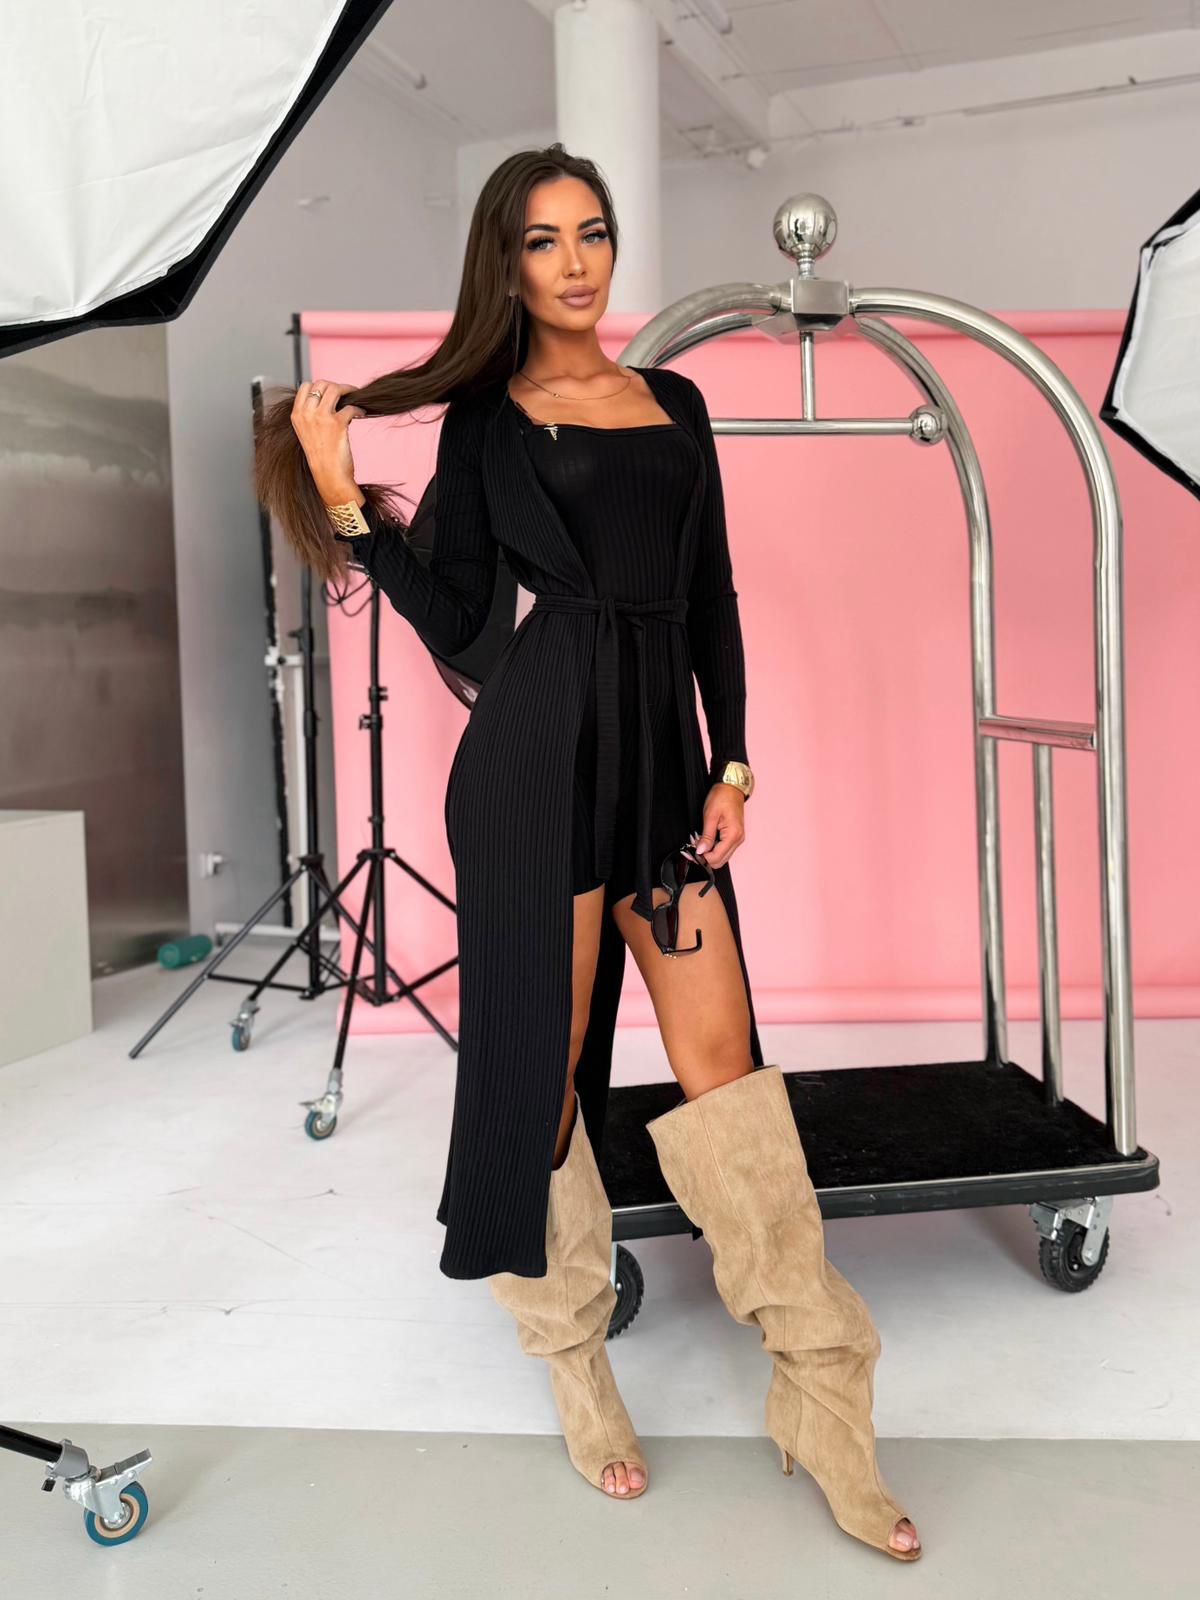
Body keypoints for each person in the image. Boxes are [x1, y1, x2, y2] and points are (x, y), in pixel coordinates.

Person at [254, 143, 921, 1560]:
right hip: (536, 769)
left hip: (665, 767)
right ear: (506, 265)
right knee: (546, 1067)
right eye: (544, 240)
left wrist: (733, 760)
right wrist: (343, 494)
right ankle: (573, 1356)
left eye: (594, 233)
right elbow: (458, 622)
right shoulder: (489, 422)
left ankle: (824, 1399)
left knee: (724, 1069)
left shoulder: (674, 402)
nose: (575, 262)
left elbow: (711, 590)